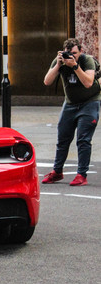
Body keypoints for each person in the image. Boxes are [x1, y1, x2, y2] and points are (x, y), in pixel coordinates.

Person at [42, 38, 100, 186]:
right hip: (70, 104)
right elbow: (47, 81)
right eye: (69, 53)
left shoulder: (87, 61)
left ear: (80, 51)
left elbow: (88, 82)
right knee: (63, 139)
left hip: (90, 103)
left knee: (83, 140)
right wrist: (58, 64)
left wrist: (75, 66)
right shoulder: (60, 61)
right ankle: (57, 172)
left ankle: (81, 175)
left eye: (74, 53)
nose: (71, 56)